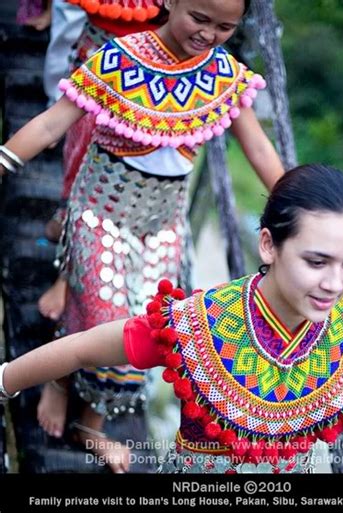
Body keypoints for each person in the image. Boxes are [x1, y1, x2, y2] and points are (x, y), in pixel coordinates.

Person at [0, 164, 343, 474]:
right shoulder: (199, 327)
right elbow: (82, 348)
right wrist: (5, 380)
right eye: (317, 261)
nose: (335, 283)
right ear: (269, 246)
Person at [0, 0, 285, 470]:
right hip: (100, 212)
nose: (208, 34)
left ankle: (89, 424)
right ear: (170, 1)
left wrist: (302, 204)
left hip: (162, 224)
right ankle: (56, 379)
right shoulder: (120, 59)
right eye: (199, 18)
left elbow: (256, 146)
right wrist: (4, 160)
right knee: (99, 314)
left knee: (143, 330)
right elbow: (53, 123)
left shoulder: (225, 77)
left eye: (225, 27)